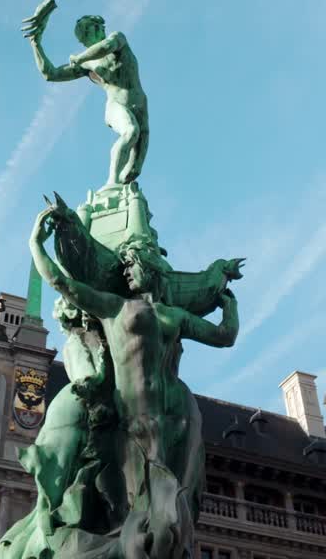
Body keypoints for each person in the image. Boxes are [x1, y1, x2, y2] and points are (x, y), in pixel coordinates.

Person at [27, 206, 239, 557]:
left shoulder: (172, 315)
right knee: (130, 506)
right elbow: (61, 282)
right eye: (130, 266)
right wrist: (37, 245)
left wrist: (228, 302)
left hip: (168, 417)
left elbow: (224, 336)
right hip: (128, 412)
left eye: (139, 265)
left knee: (170, 507)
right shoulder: (113, 306)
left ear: (154, 274)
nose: (133, 270)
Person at [23, 0, 150, 187]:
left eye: (85, 32)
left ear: (98, 28)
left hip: (140, 104)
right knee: (131, 132)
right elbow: (51, 74)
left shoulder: (117, 38)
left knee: (134, 169)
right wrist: (36, 43)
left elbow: (106, 47)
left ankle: (120, 190)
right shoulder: (88, 64)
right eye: (80, 37)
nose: (82, 40)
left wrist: (79, 57)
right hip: (116, 104)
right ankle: (111, 183)